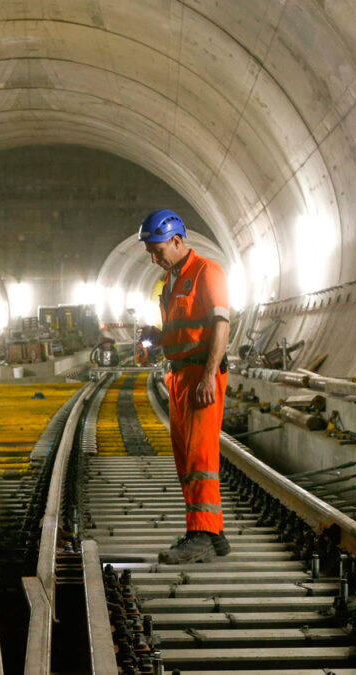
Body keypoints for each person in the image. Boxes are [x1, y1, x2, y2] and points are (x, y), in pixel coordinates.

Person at [138, 209, 231, 564]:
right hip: (178, 375)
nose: (153, 257)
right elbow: (185, 330)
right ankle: (214, 531)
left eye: (157, 249)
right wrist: (158, 337)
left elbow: (221, 325)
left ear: (176, 241)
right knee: (186, 457)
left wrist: (209, 375)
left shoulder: (208, 272)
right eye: (150, 250)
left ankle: (202, 535)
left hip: (199, 375)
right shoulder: (171, 281)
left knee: (199, 457)